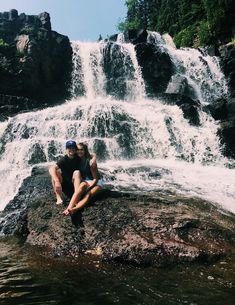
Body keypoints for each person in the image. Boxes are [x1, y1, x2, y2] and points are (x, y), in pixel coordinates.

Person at [49, 140, 96, 206]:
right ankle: (58, 197)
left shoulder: (78, 156)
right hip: (65, 184)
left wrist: (94, 158)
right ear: (66, 149)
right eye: (69, 148)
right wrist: (57, 181)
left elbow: (91, 154)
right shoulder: (63, 159)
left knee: (77, 172)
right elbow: (51, 168)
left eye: (73, 148)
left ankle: (77, 196)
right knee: (55, 173)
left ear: (75, 149)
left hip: (75, 184)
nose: (71, 149)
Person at [63, 142, 102, 216]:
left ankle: (75, 209)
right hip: (85, 180)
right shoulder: (77, 159)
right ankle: (69, 208)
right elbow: (93, 154)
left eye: (81, 150)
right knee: (82, 184)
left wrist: (89, 187)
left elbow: (95, 179)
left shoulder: (90, 162)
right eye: (77, 149)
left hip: (95, 182)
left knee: (88, 195)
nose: (79, 151)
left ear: (85, 150)